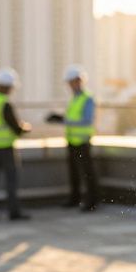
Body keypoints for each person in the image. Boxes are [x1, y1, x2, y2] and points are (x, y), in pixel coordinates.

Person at [45, 65, 100, 212]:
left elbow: (87, 120)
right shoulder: (74, 99)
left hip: (82, 142)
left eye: (72, 82)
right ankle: (75, 199)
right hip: (72, 141)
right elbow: (72, 117)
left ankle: (92, 202)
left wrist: (64, 121)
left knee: (87, 173)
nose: (70, 85)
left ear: (79, 81)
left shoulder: (87, 98)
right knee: (74, 172)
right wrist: (60, 118)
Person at [0, 67, 31, 221]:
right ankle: (14, 212)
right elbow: (16, 128)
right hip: (6, 148)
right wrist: (26, 127)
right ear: (9, 86)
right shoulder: (5, 104)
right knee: (11, 181)